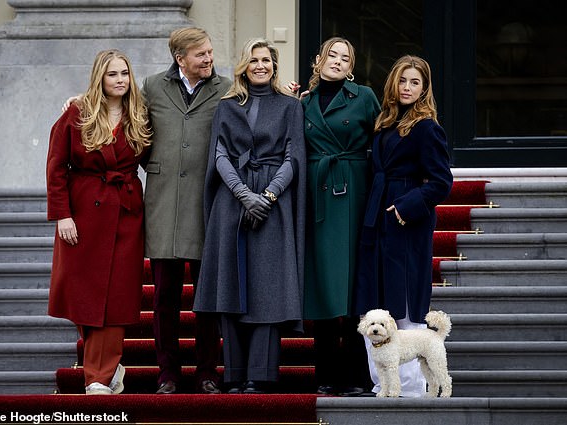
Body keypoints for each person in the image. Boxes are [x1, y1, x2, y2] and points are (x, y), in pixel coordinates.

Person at [193, 38, 306, 394]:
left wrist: (269, 195)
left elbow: (293, 156)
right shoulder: (227, 107)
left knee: (268, 289)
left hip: (275, 205)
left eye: (266, 60)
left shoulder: (290, 106)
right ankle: (234, 374)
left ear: (274, 66)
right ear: (244, 66)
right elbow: (220, 156)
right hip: (232, 203)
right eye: (253, 60)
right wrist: (244, 195)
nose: (260, 65)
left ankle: (260, 375)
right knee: (232, 284)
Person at [47, 49, 153, 395]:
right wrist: (62, 214)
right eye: (113, 74)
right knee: (84, 296)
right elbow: (56, 167)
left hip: (125, 214)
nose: (120, 80)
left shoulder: (140, 113)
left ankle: (98, 377)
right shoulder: (77, 113)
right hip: (83, 215)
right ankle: (103, 364)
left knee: (116, 298)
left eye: (124, 73)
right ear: (99, 78)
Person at [140, 27, 232, 395]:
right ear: (181, 59)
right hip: (163, 203)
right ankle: (168, 374)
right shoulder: (151, 86)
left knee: (206, 299)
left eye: (210, 52)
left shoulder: (226, 88)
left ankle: (207, 371)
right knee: (164, 299)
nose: (209, 59)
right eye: (201, 54)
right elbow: (124, 113)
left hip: (208, 203)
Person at [356, 55, 453, 397]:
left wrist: (406, 206)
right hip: (377, 218)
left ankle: (410, 390)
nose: (408, 87)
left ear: (425, 88)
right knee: (376, 304)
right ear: (393, 84)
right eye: (403, 81)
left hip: (406, 222)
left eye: (415, 82)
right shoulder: (384, 122)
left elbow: (442, 181)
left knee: (404, 303)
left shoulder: (427, 127)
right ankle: (382, 385)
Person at [290, 37, 381, 397]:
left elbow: (384, 140)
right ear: (318, 60)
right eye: (332, 55)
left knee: (354, 285)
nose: (338, 62)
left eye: (346, 58)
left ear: (351, 66)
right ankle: (326, 373)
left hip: (355, 191)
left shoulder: (364, 97)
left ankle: (358, 375)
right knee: (324, 285)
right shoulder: (303, 102)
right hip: (319, 196)